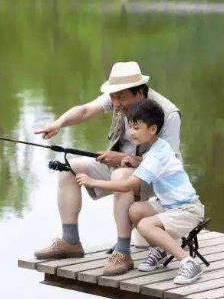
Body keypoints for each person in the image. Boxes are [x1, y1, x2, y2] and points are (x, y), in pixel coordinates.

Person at [33, 61, 182, 276]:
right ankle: (70, 241)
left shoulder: (168, 114)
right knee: (68, 168)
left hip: (156, 179)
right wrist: (58, 124)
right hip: (119, 166)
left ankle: (122, 252)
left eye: (121, 97)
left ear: (140, 93)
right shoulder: (118, 99)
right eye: (113, 97)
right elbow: (85, 111)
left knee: (121, 174)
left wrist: (122, 158)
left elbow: (166, 165)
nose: (116, 103)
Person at [76, 100, 205, 284]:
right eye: (130, 127)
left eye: (136, 128)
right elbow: (149, 163)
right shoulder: (157, 147)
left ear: (152, 129)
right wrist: (134, 161)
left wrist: (93, 181)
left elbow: (127, 186)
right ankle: (160, 249)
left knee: (145, 225)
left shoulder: (156, 154)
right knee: (135, 210)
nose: (130, 133)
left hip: (187, 210)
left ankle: (188, 263)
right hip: (169, 205)